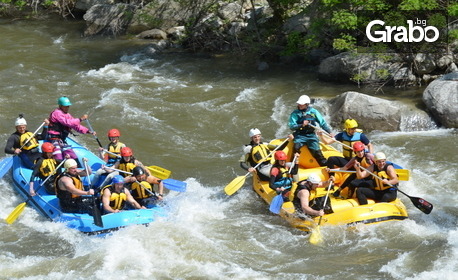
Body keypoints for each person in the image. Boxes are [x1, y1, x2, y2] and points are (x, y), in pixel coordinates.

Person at [47, 96, 96, 162]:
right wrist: (80, 119)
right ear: (60, 106)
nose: (67, 108)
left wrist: (87, 131)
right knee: (58, 157)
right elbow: (67, 122)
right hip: (54, 139)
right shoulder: (57, 113)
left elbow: (75, 125)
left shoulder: (68, 115)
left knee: (73, 157)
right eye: (65, 106)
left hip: (62, 139)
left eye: (68, 106)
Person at [288, 95, 331, 166]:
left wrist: (329, 132)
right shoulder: (295, 113)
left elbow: (322, 123)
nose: (299, 105)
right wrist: (302, 125)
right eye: (299, 104)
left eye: (301, 104)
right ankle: (292, 166)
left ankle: (325, 166)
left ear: (307, 104)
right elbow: (292, 126)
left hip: (311, 135)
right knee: (296, 148)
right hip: (300, 135)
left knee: (317, 153)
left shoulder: (313, 112)